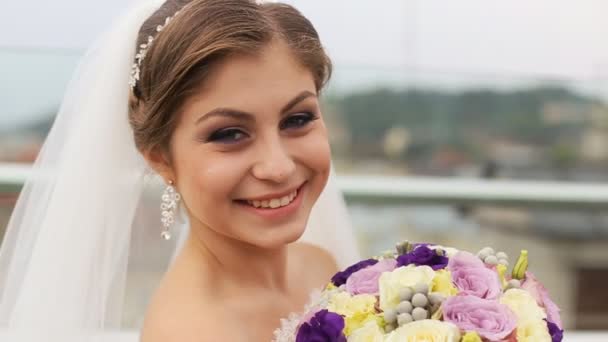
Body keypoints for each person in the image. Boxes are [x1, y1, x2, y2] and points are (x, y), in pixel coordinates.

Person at [0, 0, 360, 341]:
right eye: (229, 133)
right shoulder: (189, 332)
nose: (278, 167)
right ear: (159, 157)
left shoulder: (321, 266)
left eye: (297, 119)